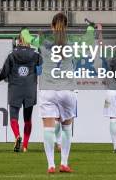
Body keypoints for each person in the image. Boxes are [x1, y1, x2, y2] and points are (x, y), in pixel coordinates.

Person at [38, 13, 81, 174]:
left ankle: (50, 165)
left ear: (52, 26)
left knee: (48, 129)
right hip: (67, 89)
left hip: (48, 89)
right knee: (66, 128)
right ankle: (64, 163)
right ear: (67, 26)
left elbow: (26, 37)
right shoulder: (72, 43)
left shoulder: (43, 42)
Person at [0, 28, 42, 152]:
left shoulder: (12, 55)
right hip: (30, 89)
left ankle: (17, 136)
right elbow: (40, 72)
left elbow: (3, 74)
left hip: (15, 89)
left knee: (14, 117)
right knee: (27, 119)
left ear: (18, 41)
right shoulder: (36, 56)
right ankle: (25, 145)